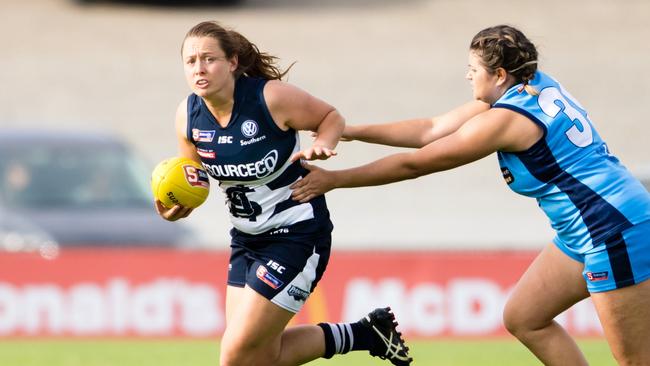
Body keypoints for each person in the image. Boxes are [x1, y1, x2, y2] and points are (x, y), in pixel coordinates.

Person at [291, 24, 650, 365]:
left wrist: (336, 180)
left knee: (634, 360)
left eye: (472, 69)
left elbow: (416, 164)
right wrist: (349, 130)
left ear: (498, 75)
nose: (467, 75)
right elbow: (430, 130)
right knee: (525, 317)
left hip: (611, 228)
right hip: (588, 227)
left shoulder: (505, 121)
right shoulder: (530, 86)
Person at [154, 21, 412, 366]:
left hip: (297, 235)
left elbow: (331, 117)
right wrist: (177, 204)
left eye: (208, 58)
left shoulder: (269, 98)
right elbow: (194, 178)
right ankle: (366, 333)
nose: (199, 68)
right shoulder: (188, 116)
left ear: (232, 62)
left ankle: (365, 334)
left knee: (234, 356)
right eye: (190, 61)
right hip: (246, 240)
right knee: (254, 358)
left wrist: (323, 143)